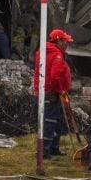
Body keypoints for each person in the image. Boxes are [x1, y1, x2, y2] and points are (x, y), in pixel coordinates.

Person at [33, 28, 73, 159]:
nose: (67, 44)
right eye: (65, 41)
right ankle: (45, 152)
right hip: (52, 92)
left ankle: (53, 148)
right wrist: (60, 90)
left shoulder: (44, 51)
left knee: (57, 120)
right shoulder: (56, 55)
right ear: (59, 41)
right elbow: (55, 76)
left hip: (47, 91)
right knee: (49, 121)